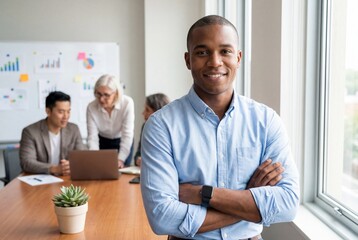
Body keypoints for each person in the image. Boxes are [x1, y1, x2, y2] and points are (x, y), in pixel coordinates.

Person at [140, 15, 299, 240]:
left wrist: (203, 194)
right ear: (188, 60)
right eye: (202, 52)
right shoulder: (160, 126)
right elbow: (162, 218)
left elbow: (288, 204)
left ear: (239, 57)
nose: (215, 62)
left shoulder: (266, 121)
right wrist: (247, 201)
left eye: (225, 51)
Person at [20, 91, 86, 176]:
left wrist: (69, 166)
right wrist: (54, 169)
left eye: (68, 111)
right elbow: (27, 162)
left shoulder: (73, 129)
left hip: (65, 178)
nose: (66, 116)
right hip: (40, 179)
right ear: (48, 111)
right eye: (61, 112)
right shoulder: (30, 132)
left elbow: (82, 156)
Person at [87, 74, 135, 168]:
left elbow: (127, 135)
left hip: (122, 141)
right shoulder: (91, 107)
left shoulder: (127, 103)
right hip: (103, 141)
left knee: (122, 171)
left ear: (116, 94)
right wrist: (95, 158)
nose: (101, 99)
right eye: (98, 94)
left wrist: (120, 159)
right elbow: (92, 137)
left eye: (106, 95)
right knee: (100, 169)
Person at [134, 93, 170, 167]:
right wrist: (138, 160)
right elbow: (137, 154)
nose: (143, 113)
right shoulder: (145, 126)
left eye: (147, 110)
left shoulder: (171, 130)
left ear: (158, 111)